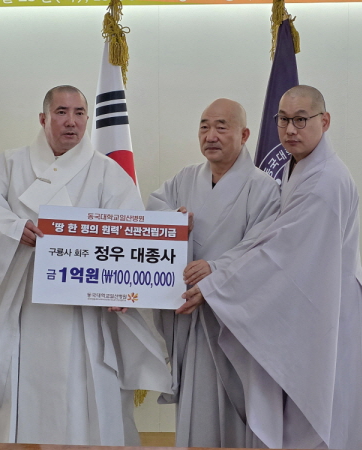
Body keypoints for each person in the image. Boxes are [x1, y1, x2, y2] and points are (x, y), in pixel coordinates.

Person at [0, 85, 171, 445]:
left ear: (88, 119)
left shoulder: (108, 173)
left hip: (83, 312)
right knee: (22, 396)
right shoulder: (8, 165)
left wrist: (122, 288)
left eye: (79, 113)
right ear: (43, 118)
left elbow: (129, 235)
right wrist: (13, 229)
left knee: (84, 396)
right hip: (24, 307)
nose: (71, 121)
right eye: (61, 112)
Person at [181, 86, 362, 450]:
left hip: (326, 305)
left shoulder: (325, 181)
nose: (290, 130)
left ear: (325, 121)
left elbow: (282, 254)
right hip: (311, 302)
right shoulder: (299, 167)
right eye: (283, 120)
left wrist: (216, 283)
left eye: (301, 120)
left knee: (320, 412)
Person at [147, 98, 281, 447]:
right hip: (190, 318)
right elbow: (153, 214)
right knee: (198, 412)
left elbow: (263, 250)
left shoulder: (264, 188)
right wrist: (173, 223)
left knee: (239, 415)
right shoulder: (184, 180)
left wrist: (215, 271)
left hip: (234, 324)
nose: (211, 136)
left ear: (244, 134)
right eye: (204, 127)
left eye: (222, 127)